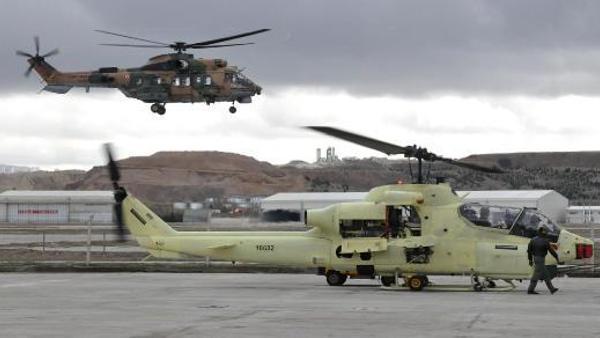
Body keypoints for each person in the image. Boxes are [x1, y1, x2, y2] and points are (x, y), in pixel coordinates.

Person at [527, 226, 560, 294]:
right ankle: (530, 289)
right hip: (541, 259)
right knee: (536, 275)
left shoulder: (533, 240)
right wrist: (556, 257)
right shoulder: (545, 241)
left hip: (536, 258)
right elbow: (552, 251)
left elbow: (529, 251)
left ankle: (552, 289)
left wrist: (530, 260)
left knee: (546, 274)